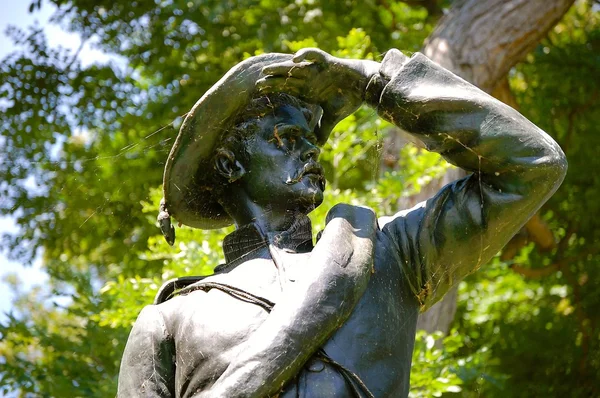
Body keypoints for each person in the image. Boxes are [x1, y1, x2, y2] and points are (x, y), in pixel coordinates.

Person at [117, 48, 567, 397]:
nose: (312, 151)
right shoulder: (169, 319)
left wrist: (373, 82)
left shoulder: (391, 252)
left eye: (313, 139)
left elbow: (534, 165)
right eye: (287, 138)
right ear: (231, 163)